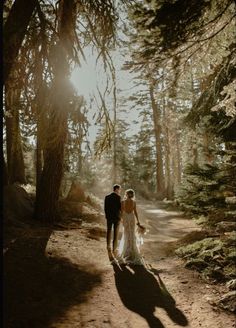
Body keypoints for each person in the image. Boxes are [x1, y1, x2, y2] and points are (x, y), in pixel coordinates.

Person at [118, 189, 145, 265]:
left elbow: (121, 212)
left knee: (126, 233)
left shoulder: (122, 202)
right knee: (132, 233)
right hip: (132, 218)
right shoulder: (134, 202)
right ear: (132, 195)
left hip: (126, 218)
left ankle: (126, 251)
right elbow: (135, 212)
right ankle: (132, 250)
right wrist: (138, 221)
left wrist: (121, 220)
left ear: (126, 194)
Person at [104, 184, 122, 260]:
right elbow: (120, 208)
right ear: (117, 189)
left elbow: (105, 208)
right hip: (116, 218)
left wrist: (107, 216)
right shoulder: (118, 197)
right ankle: (114, 248)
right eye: (119, 189)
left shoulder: (107, 197)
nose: (120, 191)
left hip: (109, 217)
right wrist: (120, 217)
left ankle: (108, 246)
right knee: (116, 233)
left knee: (108, 231)